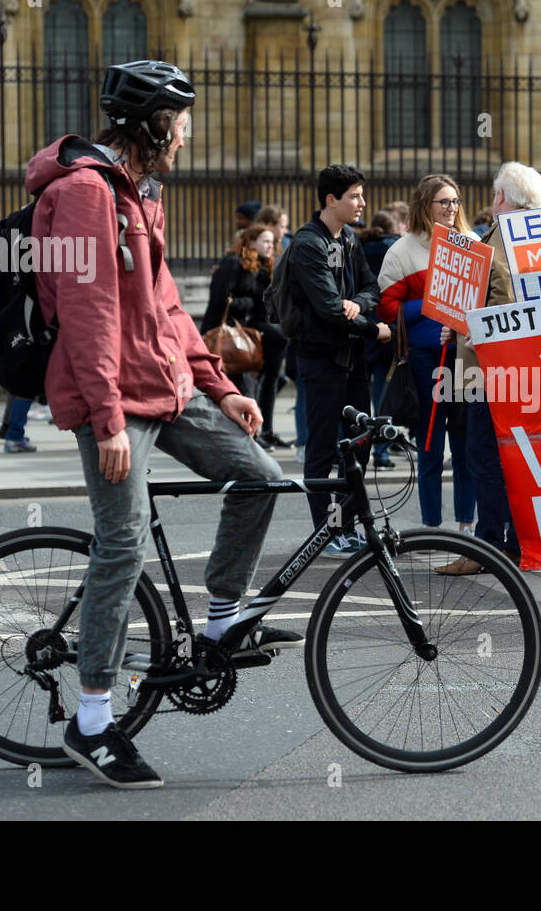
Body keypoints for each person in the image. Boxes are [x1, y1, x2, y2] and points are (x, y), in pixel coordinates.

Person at [31, 59, 295, 789]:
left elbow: (170, 310)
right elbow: (88, 313)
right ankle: (91, 721)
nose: (187, 136)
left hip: (166, 387)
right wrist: (109, 421)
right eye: (180, 122)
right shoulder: (87, 194)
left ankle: (221, 619)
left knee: (263, 476)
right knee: (122, 546)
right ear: (153, 123)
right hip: (110, 401)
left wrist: (220, 388)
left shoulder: (142, 193)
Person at [436, 161, 541, 574]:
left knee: (484, 453)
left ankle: (489, 546)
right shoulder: (540, 235)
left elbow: (502, 304)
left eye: (495, 193)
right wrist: (459, 323)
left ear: (501, 197)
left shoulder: (502, 239)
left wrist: (469, 327)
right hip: (529, 367)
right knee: (514, 455)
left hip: (494, 371)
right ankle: (517, 544)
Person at [283, 164, 391, 555]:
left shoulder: (349, 238)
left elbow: (370, 287)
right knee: (323, 450)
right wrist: (372, 327)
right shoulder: (308, 244)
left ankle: (345, 525)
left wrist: (356, 306)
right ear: (332, 199)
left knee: (358, 446)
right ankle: (327, 532)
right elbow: (327, 308)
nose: (363, 203)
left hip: (352, 360)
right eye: (355, 196)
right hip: (321, 359)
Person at [377, 174, 476, 533]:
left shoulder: (472, 243)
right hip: (425, 360)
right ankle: (431, 528)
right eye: (443, 202)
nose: (451, 209)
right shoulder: (402, 251)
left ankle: (467, 526)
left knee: (466, 446)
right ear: (425, 206)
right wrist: (434, 303)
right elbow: (387, 309)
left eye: (455, 202)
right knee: (431, 446)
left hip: (465, 359)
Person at [200, 223, 291, 449]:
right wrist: (251, 302)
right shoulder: (233, 264)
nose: (271, 246)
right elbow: (221, 301)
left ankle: (259, 432)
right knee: (240, 387)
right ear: (251, 242)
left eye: (273, 242)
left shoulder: (264, 267)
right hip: (227, 335)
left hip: (250, 334)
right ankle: (247, 436)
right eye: (266, 241)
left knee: (260, 381)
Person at [358, 210, 401, 469]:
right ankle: (381, 452)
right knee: (383, 395)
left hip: (362, 324)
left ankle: (352, 444)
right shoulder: (394, 248)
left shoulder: (358, 247)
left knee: (357, 394)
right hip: (386, 325)